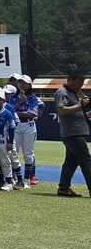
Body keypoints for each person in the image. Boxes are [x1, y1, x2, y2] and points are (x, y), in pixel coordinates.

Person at [53, 70, 91, 198]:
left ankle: (64, 188)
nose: (80, 86)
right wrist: (80, 105)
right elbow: (62, 111)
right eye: (78, 83)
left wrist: (86, 113)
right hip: (73, 133)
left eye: (81, 84)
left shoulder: (72, 93)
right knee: (87, 162)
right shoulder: (62, 92)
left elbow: (74, 111)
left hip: (75, 132)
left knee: (71, 162)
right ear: (69, 80)